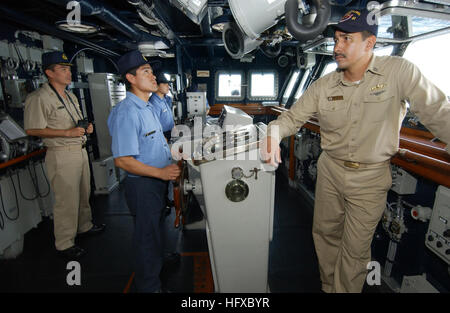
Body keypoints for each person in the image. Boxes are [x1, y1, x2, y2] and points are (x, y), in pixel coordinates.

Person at [260, 9, 450, 293]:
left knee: (355, 249)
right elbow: (291, 118)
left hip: (370, 178)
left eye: (346, 39)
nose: (337, 46)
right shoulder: (323, 85)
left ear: (369, 43)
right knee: (324, 235)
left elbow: (438, 111)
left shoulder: (399, 71)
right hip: (330, 170)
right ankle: (328, 286)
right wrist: (273, 134)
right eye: (336, 38)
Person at [107, 50, 181, 293]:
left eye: (152, 71)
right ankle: (149, 287)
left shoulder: (147, 107)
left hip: (156, 182)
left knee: (155, 227)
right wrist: (160, 174)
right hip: (143, 185)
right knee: (146, 238)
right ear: (130, 78)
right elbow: (123, 161)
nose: (153, 76)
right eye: (146, 71)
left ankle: (158, 261)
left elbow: (152, 144)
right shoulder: (127, 112)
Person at [24, 51, 105, 260]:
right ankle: (64, 243)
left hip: (79, 150)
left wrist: (86, 128)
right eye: (62, 69)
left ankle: (84, 226)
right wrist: (66, 133)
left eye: (69, 68)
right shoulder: (39, 98)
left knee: (83, 193)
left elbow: (75, 120)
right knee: (66, 200)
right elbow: (33, 129)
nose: (68, 73)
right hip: (61, 154)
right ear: (49, 73)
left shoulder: (69, 95)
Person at [150, 72, 175, 141]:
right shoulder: (154, 103)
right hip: (163, 136)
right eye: (164, 84)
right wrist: (162, 138)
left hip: (170, 133)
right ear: (156, 86)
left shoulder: (165, 99)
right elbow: (154, 126)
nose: (168, 86)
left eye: (168, 84)